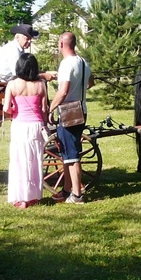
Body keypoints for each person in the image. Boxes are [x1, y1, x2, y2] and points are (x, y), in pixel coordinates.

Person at [48, 31, 94, 204]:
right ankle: (67, 189)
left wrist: (51, 109)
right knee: (68, 152)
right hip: (82, 110)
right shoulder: (83, 62)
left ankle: (77, 195)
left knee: (72, 155)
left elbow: (63, 90)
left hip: (68, 113)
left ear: (61, 44)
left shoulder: (66, 64)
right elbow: (91, 83)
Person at [3, 52, 49, 209]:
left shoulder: (12, 85)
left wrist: (13, 108)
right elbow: (44, 109)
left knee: (19, 161)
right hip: (36, 125)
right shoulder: (41, 85)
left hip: (19, 125)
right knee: (34, 161)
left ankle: (20, 197)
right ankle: (33, 196)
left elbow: (6, 109)